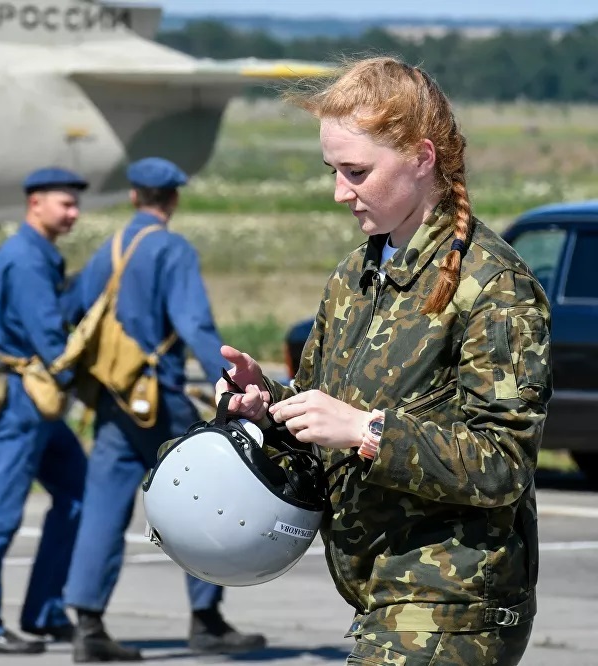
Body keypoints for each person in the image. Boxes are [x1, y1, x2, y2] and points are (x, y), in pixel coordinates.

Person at [216, 57, 551, 666]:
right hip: (381, 594)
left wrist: (367, 432)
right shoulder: (356, 278)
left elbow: (503, 465)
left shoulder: (493, 286)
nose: (340, 192)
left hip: (453, 607)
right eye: (334, 171)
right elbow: (322, 415)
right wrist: (267, 405)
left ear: (422, 159)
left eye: (357, 172)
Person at [60, 157, 267, 662]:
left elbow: (70, 312)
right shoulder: (172, 250)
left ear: (134, 197)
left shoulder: (109, 248)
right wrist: (227, 382)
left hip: (114, 397)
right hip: (161, 401)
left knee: (104, 507)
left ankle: (87, 624)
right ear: (171, 199)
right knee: (204, 501)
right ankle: (206, 618)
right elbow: (193, 323)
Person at [0, 167, 90, 656]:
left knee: (76, 494)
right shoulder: (28, 259)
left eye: (76, 204)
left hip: (38, 405)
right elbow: (51, 342)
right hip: (22, 401)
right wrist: (87, 383)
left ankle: (43, 611)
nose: (73, 213)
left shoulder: (36, 253)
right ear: (35, 203)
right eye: (65, 203)